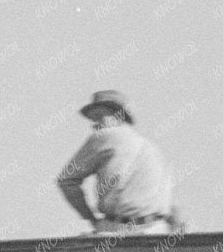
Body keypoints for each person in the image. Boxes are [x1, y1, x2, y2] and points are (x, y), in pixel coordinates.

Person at [56, 90, 183, 234]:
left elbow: (66, 180)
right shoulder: (152, 148)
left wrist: (91, 218)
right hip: (157, 232)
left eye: (99, 117)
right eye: (93, 120)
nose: (95, 125)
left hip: (118, 231)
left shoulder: (104, 136)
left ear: (118, 116)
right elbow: (171, 204)